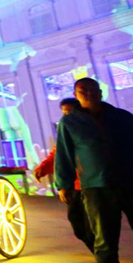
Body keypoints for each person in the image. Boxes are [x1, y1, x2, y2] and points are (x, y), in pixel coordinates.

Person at [55, 77, 133, 263]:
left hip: (130, 182)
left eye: (92, 89)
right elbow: (64, 154)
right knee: (104, 240)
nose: (88, 93)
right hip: (96, 186)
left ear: (100, 92)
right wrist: (65, 183)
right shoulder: (69, 123)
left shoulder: (123, 118)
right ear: (76, 94)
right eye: (82, 90)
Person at [33, 98, 94, 252]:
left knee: (95, 226)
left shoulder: (88, 128)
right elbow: (58, 153)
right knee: (79, 226)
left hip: (91, 185)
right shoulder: (66, 130)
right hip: (74, 186)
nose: (67, 115)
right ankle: (102, 258)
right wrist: (43, 168)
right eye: (64, 112)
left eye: (70, 111)